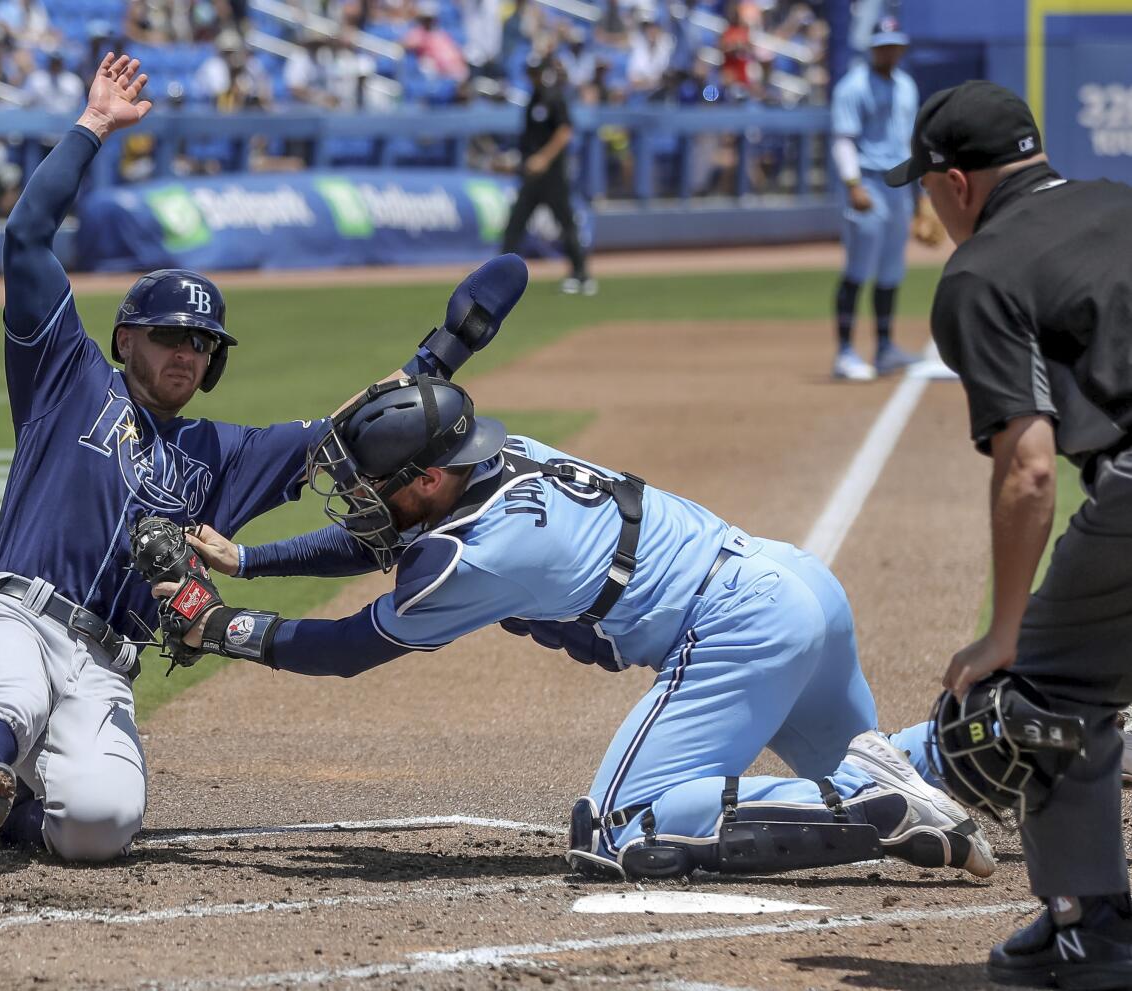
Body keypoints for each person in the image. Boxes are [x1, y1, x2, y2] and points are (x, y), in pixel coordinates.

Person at [0, 54, 520, 894]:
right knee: (7, 707)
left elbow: (351, 435)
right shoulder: (64, 377)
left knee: (102, 825)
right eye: (169, 336)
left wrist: (441, 354)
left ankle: (5, 807)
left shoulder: (221, 455)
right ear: (126, 340)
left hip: (104, 662)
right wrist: (94, 127)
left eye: (202, 345)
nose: (187, 354)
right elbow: (25, 237)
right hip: (17, 613)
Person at [153, 376, 997, 884]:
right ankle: (1002, 736)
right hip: (794, 583)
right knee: (861, 747)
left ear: (433, 477)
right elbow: (387, 533)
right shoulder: (502, 452)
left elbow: (348, 650)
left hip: (737, 628)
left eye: (378, 483)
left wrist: (224, 628)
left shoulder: (474, 559)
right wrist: (251, 560)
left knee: (619, 828)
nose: (362, 499)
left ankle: (870, 807)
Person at [884, 79, 1132, 988]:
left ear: (954, 184)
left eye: (925, 186)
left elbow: (1029, 467)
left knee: (1034, 697)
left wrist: (1005, 631)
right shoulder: (1119, 202)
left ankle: (1089, 927)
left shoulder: (981, 270)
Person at [828, 17, 937, 382]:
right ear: (872, 47)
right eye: (883, 44)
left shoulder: (906, 86)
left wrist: (920, 195)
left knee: (891, 270)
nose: (889, 50)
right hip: (869, 183)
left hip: (899, 186)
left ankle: (886, 347)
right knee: (858, 270)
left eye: (895, 44)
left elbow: (911, 144)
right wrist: (852, 183)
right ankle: (844, 353)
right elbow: (843, 138)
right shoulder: (853, 86)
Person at [501, 57, 594, 296]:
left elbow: (564, 132)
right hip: (532, 177)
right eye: (530, 72)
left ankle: (581, 274)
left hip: (553, 176)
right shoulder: (532, 99)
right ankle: (498, 276)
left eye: (536, 72)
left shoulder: (554, 97)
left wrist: (543, 157)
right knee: (515, 224)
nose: (533, 76)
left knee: (565, 223)